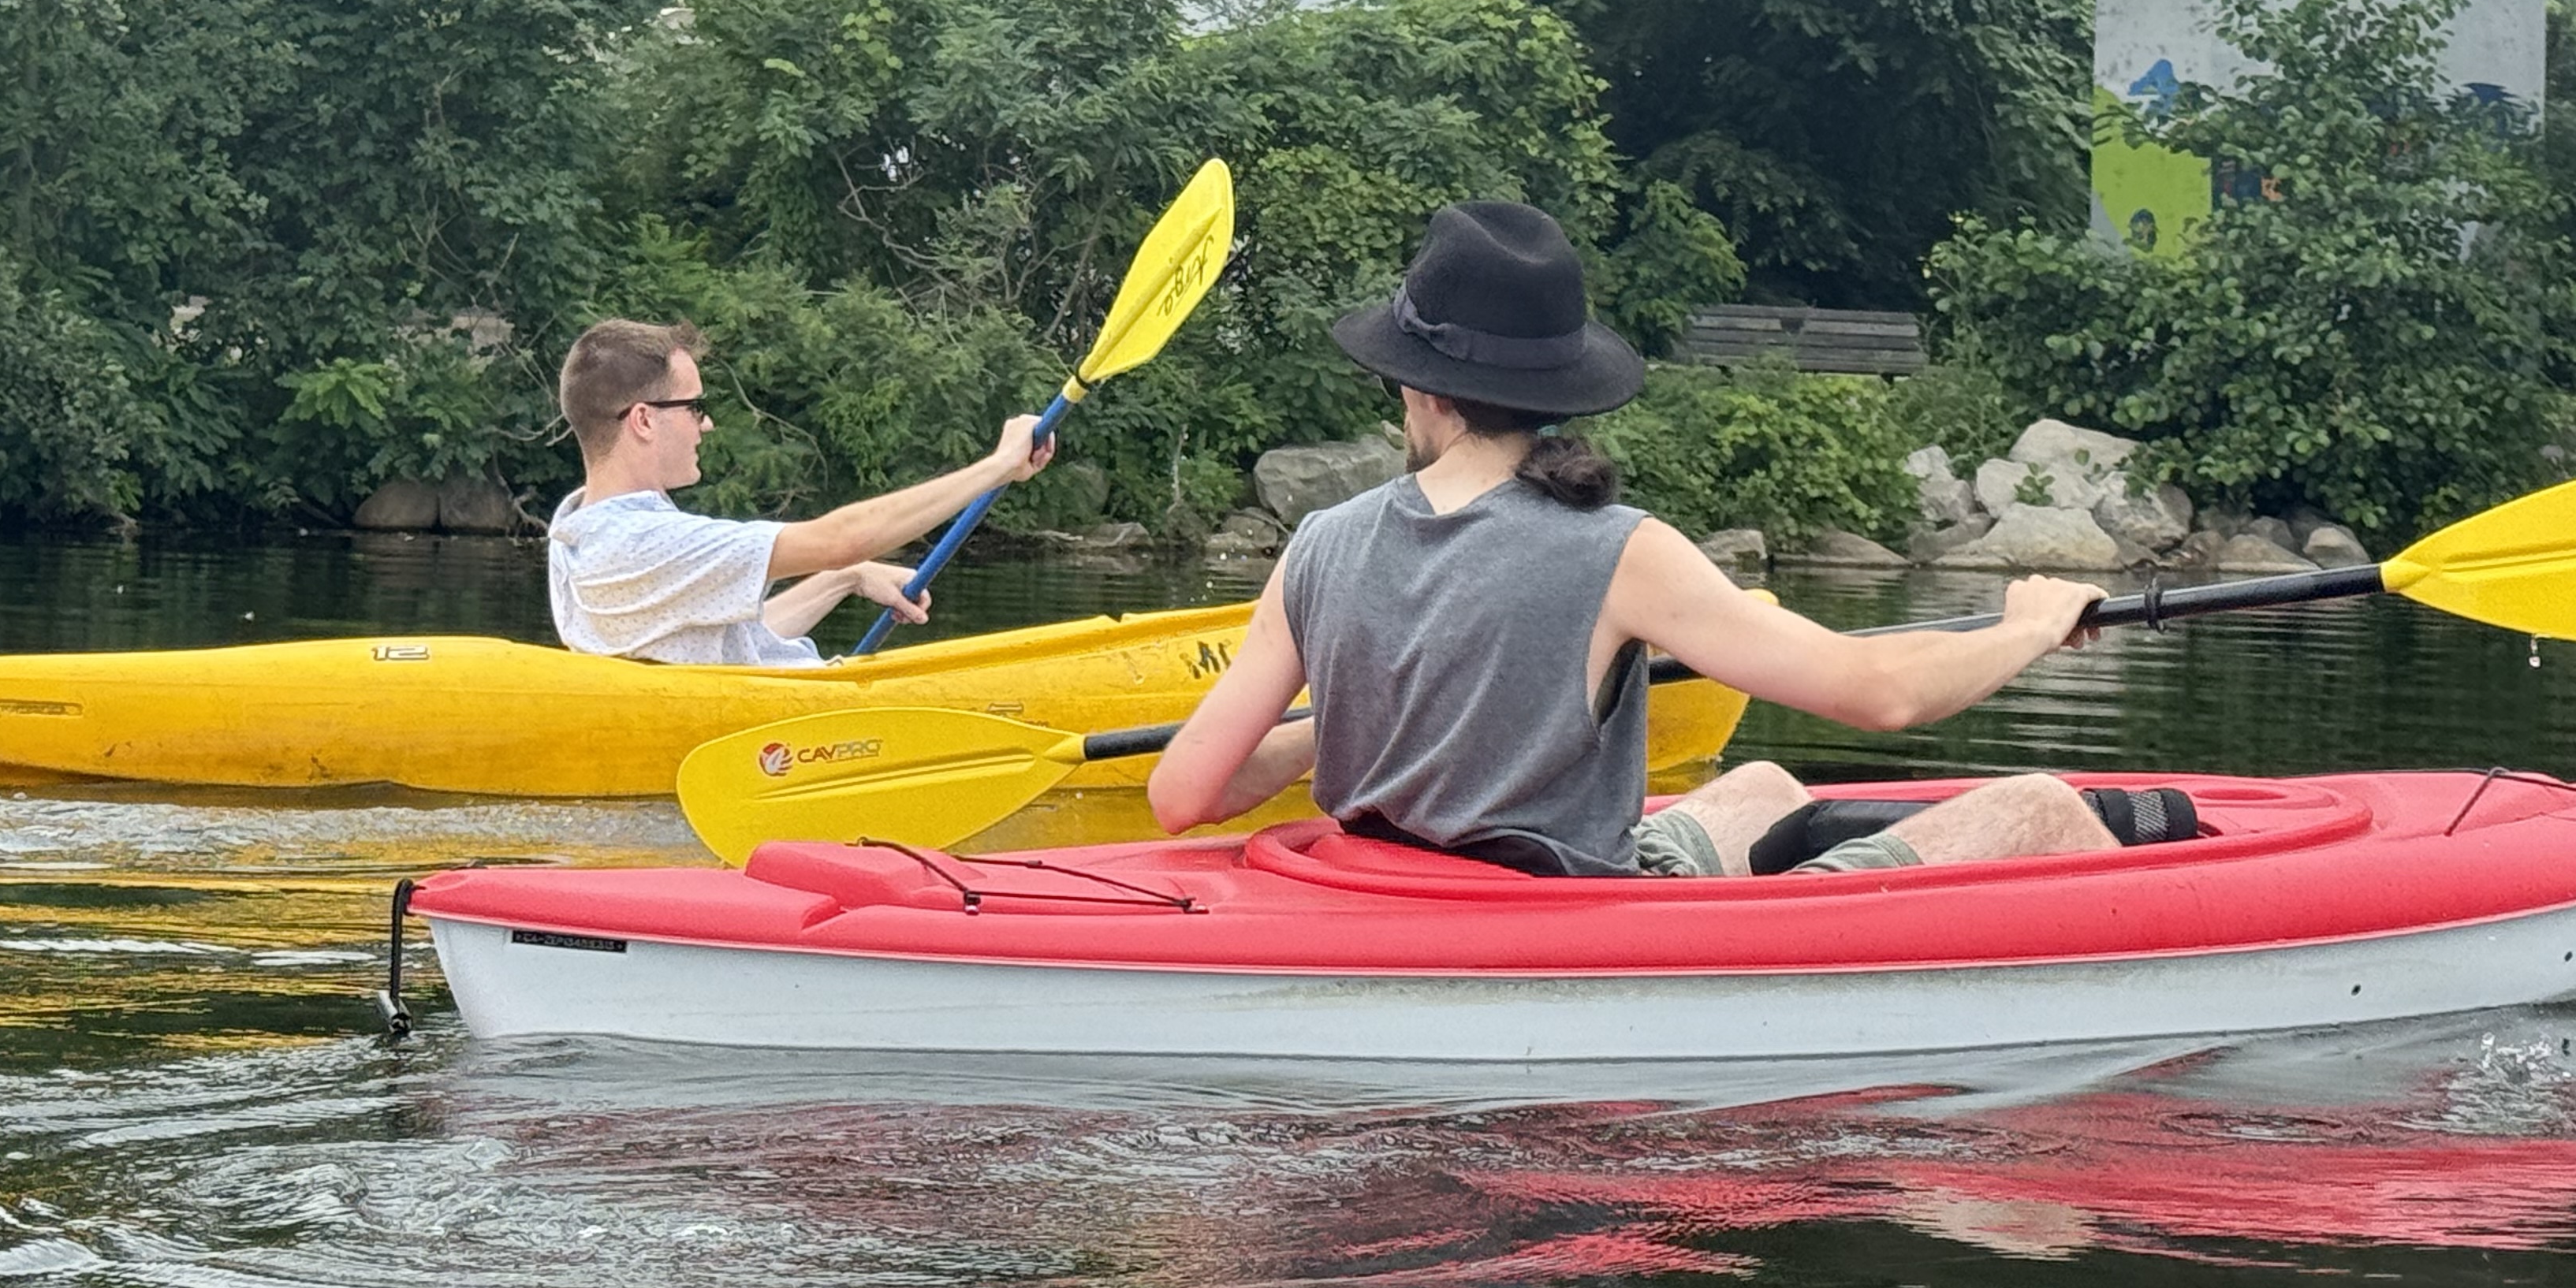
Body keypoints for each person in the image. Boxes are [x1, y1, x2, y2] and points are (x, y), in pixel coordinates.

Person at [1150, 201, 2131, 877]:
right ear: (1553, 388)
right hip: (1562, 907)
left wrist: (1364, 723)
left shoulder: (1321, 542)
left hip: (1402, 886)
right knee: (2042, 805)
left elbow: (1182, 794)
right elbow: (1882, 695)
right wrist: (2032, 628)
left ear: (1418, 383)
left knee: (1763, 786)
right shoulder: (1619, 549)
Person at [545, 316, 1053, 667]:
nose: (708, 424)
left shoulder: (575, 533)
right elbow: (839, 538)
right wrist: (998, 467)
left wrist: (845, 578)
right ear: (643, 421)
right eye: (694, 407)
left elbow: (733, 641)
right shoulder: (641, 542)